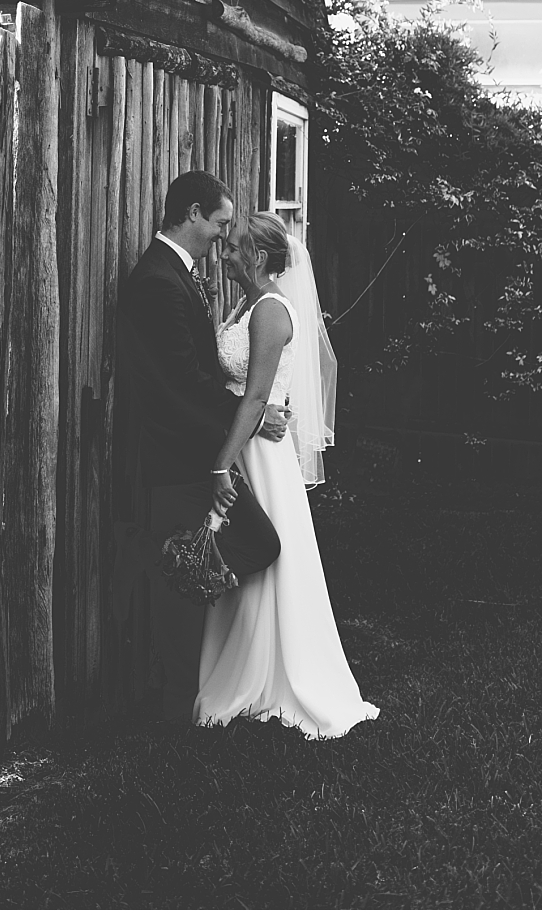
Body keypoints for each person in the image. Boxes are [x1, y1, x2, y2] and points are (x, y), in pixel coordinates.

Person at [194, 210, 379, 737]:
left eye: (234, 247)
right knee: (238, 554)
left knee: (259, 556)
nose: (225, 253)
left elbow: (256, 398)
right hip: (244, 443)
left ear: (257, 257)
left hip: (255, 455)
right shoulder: (246, 305)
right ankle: (238, 667)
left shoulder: (271, 311)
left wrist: (221, 465)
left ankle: (269, 677)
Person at [115, 172, 284, 722]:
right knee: (182, 589)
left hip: (196, 452)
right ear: (192, 214)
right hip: (180, 457)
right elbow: (182, 386)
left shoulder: (174, 275)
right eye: (219, 223)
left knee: (212, 564)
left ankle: (193, 684)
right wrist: (246, 423)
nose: (223, 236)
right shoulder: (158, 282)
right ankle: (176, 712)